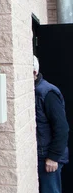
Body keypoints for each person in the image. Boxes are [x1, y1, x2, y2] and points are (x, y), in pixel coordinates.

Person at [35, 56, 69, 193]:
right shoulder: (33, 90)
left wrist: (53, 157)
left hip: (48, 158)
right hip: (38, 154)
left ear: (34, 72)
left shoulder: (47, 92)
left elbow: (62, 128)